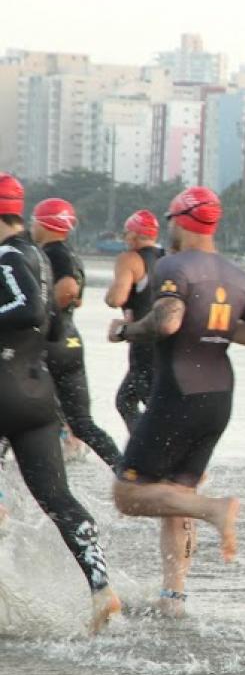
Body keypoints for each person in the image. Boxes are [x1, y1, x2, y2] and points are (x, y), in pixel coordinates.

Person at [108, 187, 245, 617]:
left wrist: (125, 332)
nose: (167, 227)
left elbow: (167, 322)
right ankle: (174, 598)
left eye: (170, 219)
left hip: (178, 392)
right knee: (176, 493)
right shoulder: (235, 273)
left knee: (129, 494)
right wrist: (216, 329)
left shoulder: (174, 265)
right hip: (219, 396)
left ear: (183, 220)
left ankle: (215, 509)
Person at [0, 173, 121, 632]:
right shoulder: (41, 258)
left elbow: (29, 310)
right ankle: (101, 589)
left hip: (4, 387)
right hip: (35, 392)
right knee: (58, 498)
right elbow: (49, 325)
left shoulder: (8, 255)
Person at [30, 198, 124, 471]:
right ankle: (123, 469)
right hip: (71, 341)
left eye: (34, 221)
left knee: (16, 413)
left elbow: (69, 289)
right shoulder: (71, 255)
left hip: (49, 341)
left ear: (43, 223)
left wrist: (42, 313)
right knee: (82, 422)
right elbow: (77, 296)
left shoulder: (51, 253)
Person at [105, 209, 163, 431]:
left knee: (152, 405)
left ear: (134, 235)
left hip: (143, 340)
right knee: (126, 400)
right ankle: (140, 452)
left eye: (125, 234)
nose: (124, 239)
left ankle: (154, 456)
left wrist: (111, 296)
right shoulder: (168, 257)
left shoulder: (130, 259)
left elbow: (116, 298)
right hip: (168, 341)